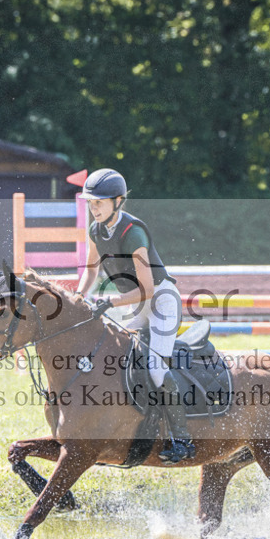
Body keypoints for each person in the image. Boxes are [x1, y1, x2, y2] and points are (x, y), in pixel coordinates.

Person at [75, 169, 194, 464]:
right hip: (136, 303)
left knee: (155, 368)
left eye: (99, 202)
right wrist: (79, 297)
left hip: (160, 301)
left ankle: (182, 438)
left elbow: (148, 289)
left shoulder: (133, 233)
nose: (94, 208)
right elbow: (91, 269)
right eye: (90, 202)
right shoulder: (95, 229)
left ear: (118, 201)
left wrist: (110, 300)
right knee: (114, 352)